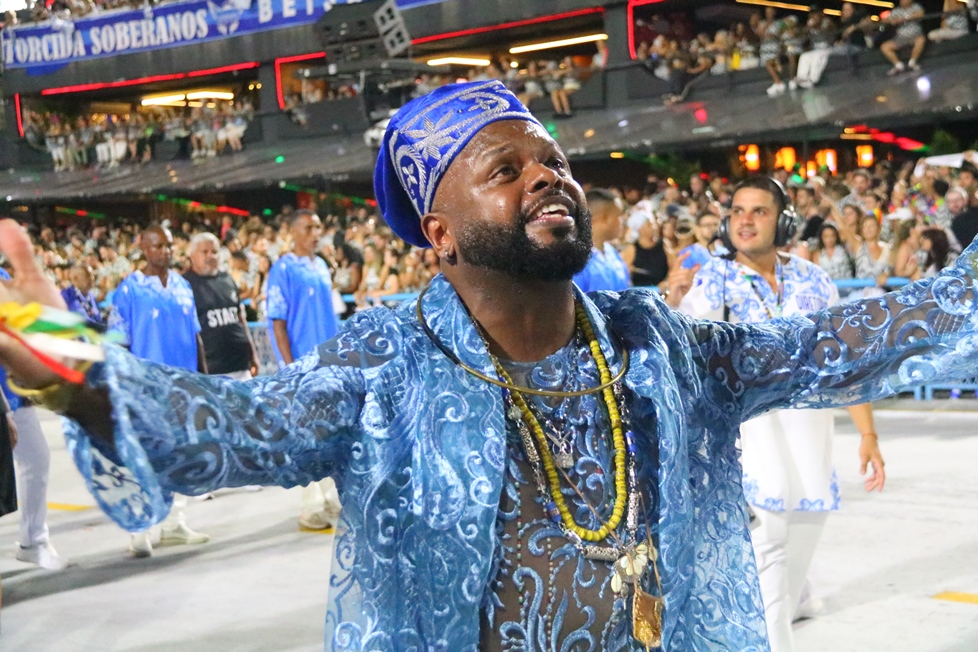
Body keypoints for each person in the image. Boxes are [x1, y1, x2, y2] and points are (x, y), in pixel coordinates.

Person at [2, 80, 978, 650]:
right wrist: (57, 351)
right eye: (504, 170)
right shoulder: (388, 367)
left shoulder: (658, 346)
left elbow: (839, 341)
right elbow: (219, 429)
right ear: (440, 233)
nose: (547, 175)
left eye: (553, 162)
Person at [666, 177, 885, 652]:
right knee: (768, 565)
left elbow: (842, 360)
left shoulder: (814, 279)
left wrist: (867, 433)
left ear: (783, 221)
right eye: (737, 211)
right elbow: (681, 352)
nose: (744, 220)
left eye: (758, 211)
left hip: (810, 443)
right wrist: (674, 302)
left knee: (789, 574)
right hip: (748, 444)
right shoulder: (712, 279)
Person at [109, 225, 210, 558]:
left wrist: (204, 382)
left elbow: (195, 337)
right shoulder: (129, 291)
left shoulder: (183, 286)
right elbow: (118, 345)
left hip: (182, 388)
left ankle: (174, 523)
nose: (165, 251)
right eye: (157, 246)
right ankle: (140, 527)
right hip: (145, 390)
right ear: (144, 248)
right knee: (146, 458)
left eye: (168, 245)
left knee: (179, 456)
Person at [265, 210, 342, 531]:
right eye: (308, 228)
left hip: (330, 364)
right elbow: (277, 321)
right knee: (308, 437)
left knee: (332, 433)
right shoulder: (282, 269)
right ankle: (311, 506)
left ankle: (331, 497)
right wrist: (289, 366)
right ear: (293, 232)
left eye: (318, 227)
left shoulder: (322, 265)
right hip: (303, 366)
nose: (315, 233)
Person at [183, 233, 259, 381]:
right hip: (211, 371)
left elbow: (240, 318)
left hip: (240, 365)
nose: (210, 256)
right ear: (192, 256)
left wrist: (252, 353)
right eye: (205, 252)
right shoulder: (184, 284)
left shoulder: (227, 279)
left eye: (214, 252)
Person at [573, 188, 629, 292]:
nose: (623, 221)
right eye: (619, 216)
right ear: (605, 218)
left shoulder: (613, 253)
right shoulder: (577, 261)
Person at [880, 0, 925, 75]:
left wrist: (906, 18)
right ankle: (898, 66)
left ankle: (912, 63)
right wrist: (892, 20)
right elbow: (884, 19)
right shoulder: (896, 11)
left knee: (921, 40)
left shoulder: (915, 7)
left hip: (915, 34)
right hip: (900, 37)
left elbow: (921, 14)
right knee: (885, 46)